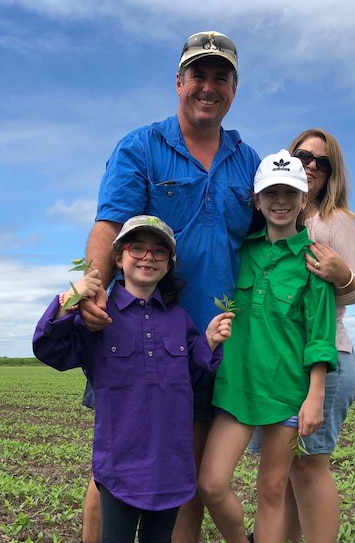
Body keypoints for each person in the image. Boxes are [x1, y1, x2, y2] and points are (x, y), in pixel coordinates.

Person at [77, 31, 262, 543]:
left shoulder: (248, 162)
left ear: (233, 89)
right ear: (179, 83)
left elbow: (270, 239)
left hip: (208, 342)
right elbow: (110, 224)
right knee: (112, 471)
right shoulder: (141, 146)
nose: (208, 86)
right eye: (198, 76)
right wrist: (94, 291)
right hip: (136, 334)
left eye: (220, 78)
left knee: (186, 473)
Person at [33, 215, 234, 543]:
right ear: (118, 258)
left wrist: (210, 341)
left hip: (172, 465)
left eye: (159, 252)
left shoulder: (179, 318)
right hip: (120, 465)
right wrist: (69, 299)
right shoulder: (99, 316)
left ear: (169, 264)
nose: (147, 257)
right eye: (137, 248)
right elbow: (50, 350)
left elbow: (195, 375)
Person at [197, 151, 338, 543]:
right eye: (271, 192)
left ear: (304, 199)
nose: (280, 201)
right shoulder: (240, 251)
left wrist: (315, 396)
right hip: (237, 388)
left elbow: (320, 336)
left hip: (287, 393)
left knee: (272, 489)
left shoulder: (315, 261)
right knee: (211, 484)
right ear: (256, 200)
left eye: (290, 192)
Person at [247, 128, 355, 543]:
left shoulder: (334, 221)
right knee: (290, 471)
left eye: (324, 162)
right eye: (304, 155)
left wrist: (344, 276)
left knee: (311, 464)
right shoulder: (283, 215)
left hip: (326, 355)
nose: (313, 165)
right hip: (285, 360)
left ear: (332, 173)